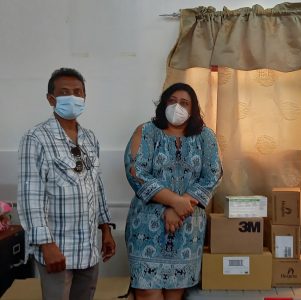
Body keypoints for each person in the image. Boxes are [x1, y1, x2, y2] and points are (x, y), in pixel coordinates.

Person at [17, 67, 116, 300]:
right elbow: (30, 197)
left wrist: (106, 229)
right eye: (65, 92)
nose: (73, 97)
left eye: (78, 92)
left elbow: (97, 185)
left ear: (84, 97)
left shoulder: (90, 138)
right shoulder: (36, 138)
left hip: (88, 250)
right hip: (58, 250)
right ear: (51, 99)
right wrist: (45, 244)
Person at [124, 82, 222, 300]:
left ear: (193, 109)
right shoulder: (146, 132)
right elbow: (135, 171)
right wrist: (174, 201)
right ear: (163, 104)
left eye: (184, 103)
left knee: (175, 293)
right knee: (147, 292)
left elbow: (213, 175)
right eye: (172, 101)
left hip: (187, 229)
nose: (178, 107)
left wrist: (180, 206)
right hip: (145, 229)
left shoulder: (206, 137)